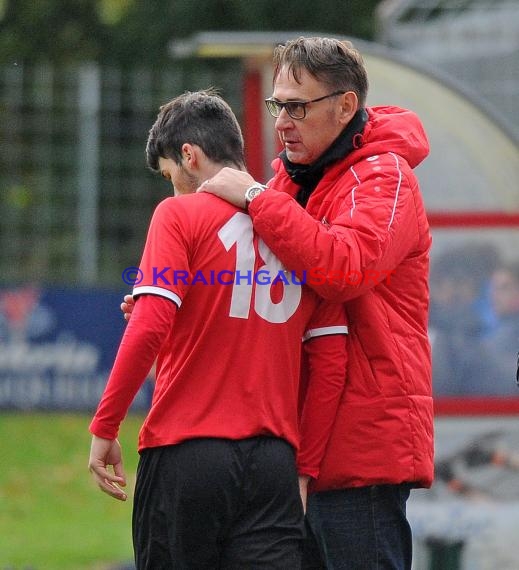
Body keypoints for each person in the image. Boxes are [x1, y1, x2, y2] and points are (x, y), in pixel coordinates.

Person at [199, 36, 434, 570]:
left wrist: (257, 199)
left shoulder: (386, 177)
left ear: (345, 105)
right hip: (294, 448)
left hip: (362, 453)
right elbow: (257, 283)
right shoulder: (290, 178)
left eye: (298, 106)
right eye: (277, 104)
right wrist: (170, 302)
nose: (282, 120)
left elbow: (344, 269)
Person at [88, 90, 348, 569]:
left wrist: (105, 426)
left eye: (171, 177)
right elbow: (330, 362)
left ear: (189, 155)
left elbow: (149, 326)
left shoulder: (178, 215)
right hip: (274, 464)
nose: (172, 191)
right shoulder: (302, 231)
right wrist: (304, 470)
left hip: (187, 454)